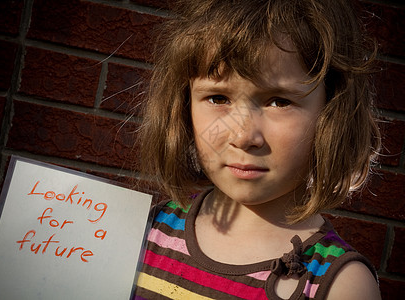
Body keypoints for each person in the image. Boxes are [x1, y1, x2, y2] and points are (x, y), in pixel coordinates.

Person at [134, 0, 382, 299]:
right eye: (217, 98)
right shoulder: (142, 233)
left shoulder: (340, 286)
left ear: (333, 113)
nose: (243, 136)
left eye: (279, 101)